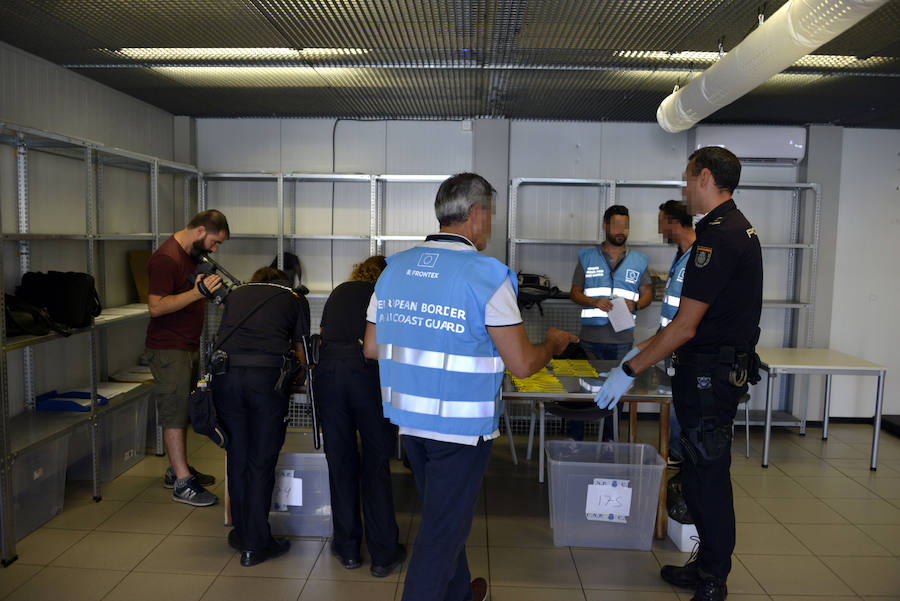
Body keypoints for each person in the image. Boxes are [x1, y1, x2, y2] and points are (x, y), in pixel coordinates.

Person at [364, 173, 576, 601]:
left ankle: (460, 594)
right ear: (476, 214)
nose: (490, 224)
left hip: (411, 425)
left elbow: (371, 347)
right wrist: (551, 344)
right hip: (459, 430)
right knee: (441, 534)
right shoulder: (487, 275)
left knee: (445, 519)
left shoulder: (394, 269)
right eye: (491, 214)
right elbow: (520, 362)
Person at [594, 146, 762, 601]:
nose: (684, 188)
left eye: (687, 179)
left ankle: (714, 579)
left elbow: (685, 327)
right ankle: (706, 565)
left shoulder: (718, 239)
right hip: (705, 374)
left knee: (709, 476)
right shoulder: (727, 229)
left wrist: (629, 368)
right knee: (699, 473)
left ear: (704, 177)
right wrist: (639, 355)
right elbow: (684, 325)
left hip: (709, 377)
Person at [212, 266, 310, 567]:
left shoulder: (236, 295)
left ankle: (243, 534)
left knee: (237, 457)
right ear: (284, 282)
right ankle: (256, 543)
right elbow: (301, 353)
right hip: (265, 382)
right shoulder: (293, 298)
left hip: (225, 378)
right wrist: (295, 382)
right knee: (261, 461)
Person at [315, 255, 406, 577]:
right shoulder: (388, 294)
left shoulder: (340, 291)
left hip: (329, 375)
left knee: (340, 461)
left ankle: (348, 548)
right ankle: (383, 553)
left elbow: (324, 333)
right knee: (375, 463)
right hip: (369, 377)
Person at [146, 209, 229, 507]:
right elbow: (155, 307)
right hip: (169, 349)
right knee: (175, 414)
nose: (215, 249)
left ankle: (175, 470)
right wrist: (197, 293)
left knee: (186, 409)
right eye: (214, 242)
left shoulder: (189, 256)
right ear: (199, 232)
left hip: (187, 346)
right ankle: (182, 483)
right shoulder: (166, 258)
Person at [568, 205, 652, 441]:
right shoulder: (587, 258)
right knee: (582, 390)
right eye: (615, 225)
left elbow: (648, 293)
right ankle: (576, 441)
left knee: (618, 391)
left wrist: (636, 304)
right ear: (605, 226)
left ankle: (609, 440)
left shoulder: (639, 260)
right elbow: (574, 293)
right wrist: (593, 302)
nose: (620, 230)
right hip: (590, 341)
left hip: (622, 342)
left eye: (624, 226)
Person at [658, 199, 697, 468]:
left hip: (684, 344)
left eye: (662, 223)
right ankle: (675, 450)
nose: (660, 231)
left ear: (673, 222)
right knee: (674, 398)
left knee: (681, 400)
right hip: (668, 341)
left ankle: (679, 453)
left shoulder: (699, 255)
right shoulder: (681, 254)